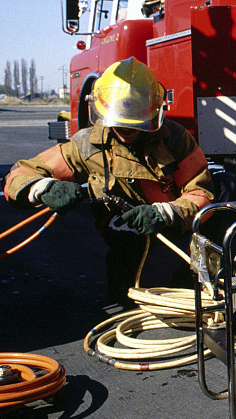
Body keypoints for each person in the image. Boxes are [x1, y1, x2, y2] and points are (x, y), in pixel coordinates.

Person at [4, 57, 214, 304]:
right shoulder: (88, 144)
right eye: (120, 120)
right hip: (125, 239)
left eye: (135, 119)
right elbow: (19, 174)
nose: (126, 128)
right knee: (127, 298)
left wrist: (166, 212)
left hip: (176, 228)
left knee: (194, 296)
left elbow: (202, 192)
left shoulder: (175, 139)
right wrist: (43, 187)